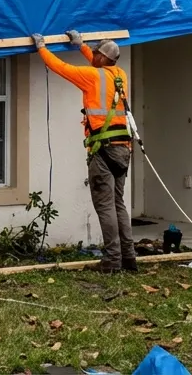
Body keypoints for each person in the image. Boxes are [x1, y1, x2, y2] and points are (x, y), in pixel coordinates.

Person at [33, 29, 136, 273]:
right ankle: (128, 257)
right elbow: (97, 66)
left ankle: (112, 260)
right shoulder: (120, 75)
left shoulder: (92, 76)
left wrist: (41, 48)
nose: (94, 57)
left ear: (101, 58)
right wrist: (82, 46)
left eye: (95, 54)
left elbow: (61, 67)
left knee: (105, 205)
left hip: (103, 150)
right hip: (123, 148)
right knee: (118, 203)